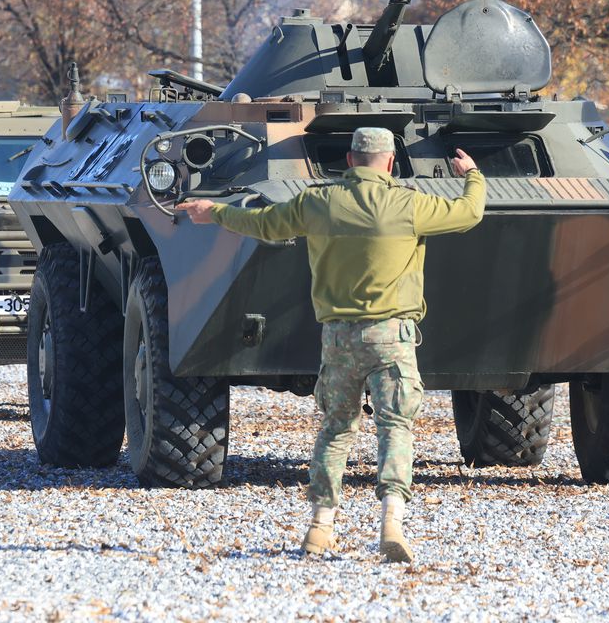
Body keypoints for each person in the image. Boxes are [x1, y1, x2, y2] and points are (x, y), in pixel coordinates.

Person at [176, 127, 485, 563]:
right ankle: (391, 521)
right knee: (395, 428)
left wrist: (217, 212)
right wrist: (472, 174)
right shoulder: (409, 205)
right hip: (392, 339)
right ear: (391, 162)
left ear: (349, 158)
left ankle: (320, 526)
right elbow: (470, 212)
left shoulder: (318, 202)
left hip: (339, 338)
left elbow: (263, 224)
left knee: (336, 429)